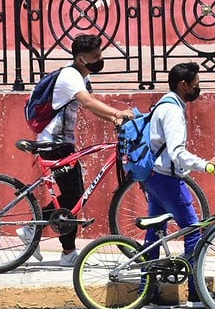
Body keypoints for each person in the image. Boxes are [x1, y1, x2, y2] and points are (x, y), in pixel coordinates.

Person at [17, 34, 134, 267]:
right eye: (96, 57)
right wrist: (118, 113)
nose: (99, 60)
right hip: (54, 144)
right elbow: (88, 103)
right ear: (81, 59)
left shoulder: (81, 76)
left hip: (62, 143)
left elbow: (90, 106)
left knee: (72, 198)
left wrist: (114, 119)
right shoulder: (70, 76)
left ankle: (42, 234)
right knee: (74, 198)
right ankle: (55, 244)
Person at [143, 62, 215, 308]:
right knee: (192, 230)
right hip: (168, 179)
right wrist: (206, 165)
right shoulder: (173, 111)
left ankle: (147, 289)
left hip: (153, 176)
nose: (198, 89)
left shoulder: (163, 104)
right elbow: (177, 152)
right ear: (183, 85)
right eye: (196, 85)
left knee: (155, 232)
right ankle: (197, 292)